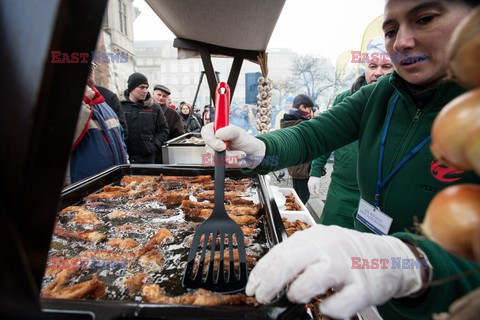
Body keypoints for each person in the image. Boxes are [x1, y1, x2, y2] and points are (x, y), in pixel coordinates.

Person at [201, 1, 480, 318]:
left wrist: (410, 263)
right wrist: (258, 148)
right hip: (363, 276)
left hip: (439, 300)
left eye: (425, 18)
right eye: (391, 30)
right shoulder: (379, 94)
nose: (401, 42)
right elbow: (312, 136)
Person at [308, 37, 394, 228]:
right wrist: (315, 171)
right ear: (365, 68)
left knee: (363, 249)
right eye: (372, 66)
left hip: (376, 199)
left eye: (386, 66)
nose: (378, 72)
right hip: (341, 189)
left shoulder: (400, 104)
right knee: (330, 241)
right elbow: (326, 135)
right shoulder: (345, 99)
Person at [67, 84, 128, 184]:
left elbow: (121, 137)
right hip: (81, 192)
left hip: (113, 188)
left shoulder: (104, 102)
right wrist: (84, 101)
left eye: (93, 67)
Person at [120, 73, 169, 164]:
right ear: (131, 88)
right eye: (141, 87)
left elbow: (164, 130)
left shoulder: (154, 108)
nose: (145, 90)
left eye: (146, 87)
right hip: (124, 158)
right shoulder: (119, 106)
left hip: (147, 159)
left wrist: (152, 146)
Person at [280, 94, 314, 204]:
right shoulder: (303, 123)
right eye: (309, 108)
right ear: (302, 107)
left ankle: (294, 210)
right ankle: (297, 214)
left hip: (293, 164)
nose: (310, 111)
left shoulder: (289, 120)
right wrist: (315, 120)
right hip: (303, 166)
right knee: (303, 195)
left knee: (296, 192)